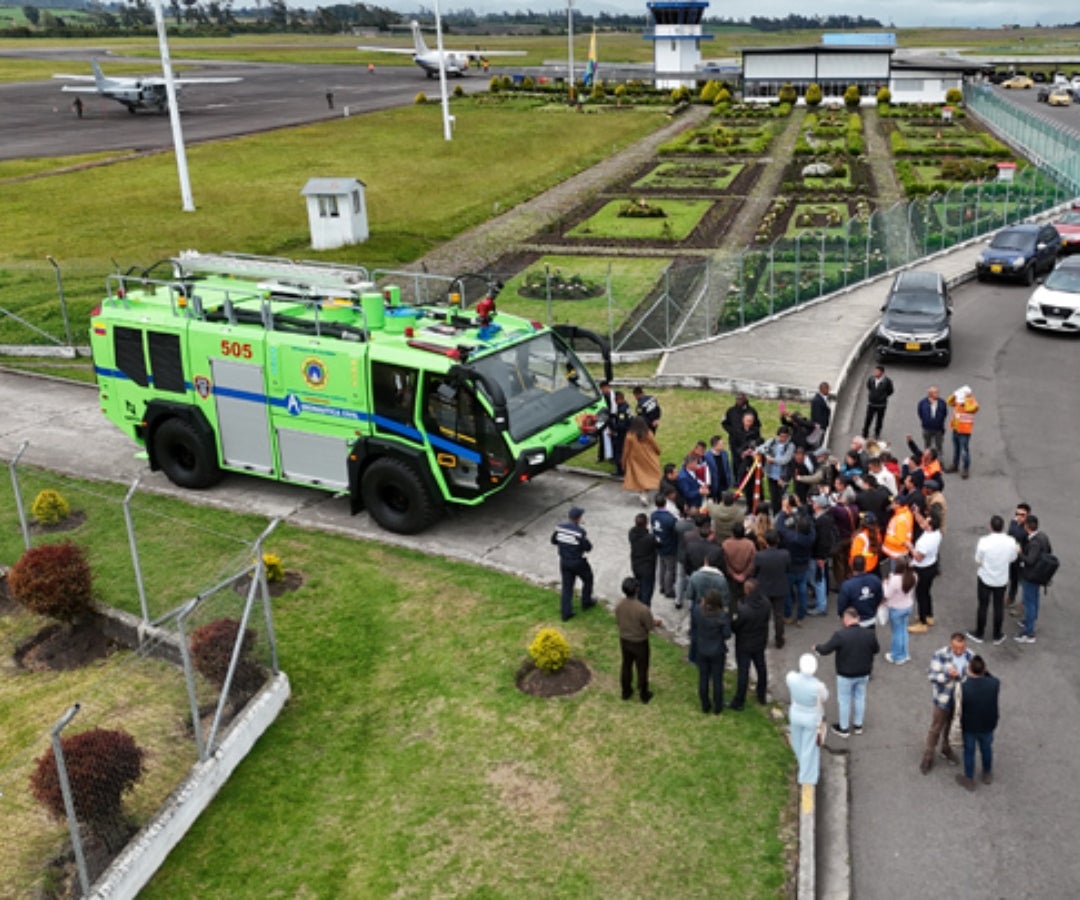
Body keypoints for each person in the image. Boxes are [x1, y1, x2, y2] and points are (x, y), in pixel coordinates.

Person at [814, 606, 880, 738]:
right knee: (860, 697)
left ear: (845, 619)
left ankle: (843, 728)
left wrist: (816, 647)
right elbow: (876, 650)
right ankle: (858, 725)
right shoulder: (869, 634)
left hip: (845, 674)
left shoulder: (840, 635)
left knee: (844, 700)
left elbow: (826, 649)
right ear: (858, 619)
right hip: (864, 673)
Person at [920, 633, 971, 774]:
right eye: (956, 648)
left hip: (959, 700)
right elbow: (932, 676)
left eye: (962, 648)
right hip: (943, 699)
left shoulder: (971, 656)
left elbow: (974, 677)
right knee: (935, 728)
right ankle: (928, 755)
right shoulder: (940, 655)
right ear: (950, 644)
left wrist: (962, 677)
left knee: (951, 725)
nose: (959, 651)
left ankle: (946, 748)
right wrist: (948, 675)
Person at [968, 515, 1019, 646]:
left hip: (985, 577)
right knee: (998, 606)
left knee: (983, 606)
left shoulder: (984, 541)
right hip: (1001, 579)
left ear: (990, 527)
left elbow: (978, 559)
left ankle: (979, 633)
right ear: (1003, 527)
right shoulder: (1010, 541)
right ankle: (997, 635)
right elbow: (1013, 558)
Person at [956, 655, 1000, 791]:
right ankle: (987, 773)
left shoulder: (964, 687)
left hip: (970, 726)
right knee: (986, 748)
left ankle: (969, 779)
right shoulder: (994, 683)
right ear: (984, 669)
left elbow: (957, 705)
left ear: (969, 670)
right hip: (988, 724)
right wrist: (985, 671)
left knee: (969, 751)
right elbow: (991, 677)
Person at [615, 576, 660, 704]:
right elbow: (650, 626)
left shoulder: (619, 605)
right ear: (637, 590)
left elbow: (618, 621)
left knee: (626, 665)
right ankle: (644, 694)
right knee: (642, 668)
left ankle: (626, 692)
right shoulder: (643, 609)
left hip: (624, 640)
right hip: (640, 642)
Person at [787, 654, 829, 785]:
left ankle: (802, 765)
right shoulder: (818, 686)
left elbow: (790, 677)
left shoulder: (791, 678)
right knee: (809, 747)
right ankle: (806, 777)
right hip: (811, 717)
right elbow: (825, 697)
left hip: (795, 714)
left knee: (797, 742)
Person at [730, 577, 771, 709]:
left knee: (743, 672)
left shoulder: (743, 609)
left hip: (744, 644)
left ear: (747, 590)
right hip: (760, 641)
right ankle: (761, 695)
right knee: (761, 668)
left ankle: (739, 701)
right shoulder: (766, 603)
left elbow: (735, 626)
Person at [551, 507, 595, 622]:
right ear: (578, 518)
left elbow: (554, 541)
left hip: (564, 561)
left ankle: (566, 613)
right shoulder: (579, 532)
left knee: (567, 587)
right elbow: (588, 547)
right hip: (578, 562)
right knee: (588, 579)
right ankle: (586, 602)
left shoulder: (560, 528)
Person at [691, 588, 731, 714]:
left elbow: (694, 626)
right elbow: (727, 634)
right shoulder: (722, 616)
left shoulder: (697, 611)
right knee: (717, 679)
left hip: (702, 649)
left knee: (703, 677)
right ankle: (718, 707)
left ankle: (705, 705)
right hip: (717, 651)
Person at [1016, 514, 1052, 644]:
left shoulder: (1034, 543)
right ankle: (1030, 621)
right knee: (1034, 599)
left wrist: (1020, 553)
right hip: (1039, 575)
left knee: (1029, 602)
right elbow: (1049, 550)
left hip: (1031, 575)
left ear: (1027, 527)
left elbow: (1030, 560)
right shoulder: (1043, 536)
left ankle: (1029, 632)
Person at [753, 529, 791, 649]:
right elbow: (788, 568)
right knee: (778, 615)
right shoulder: (785, 554)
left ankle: (763, 640)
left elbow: (755, 571)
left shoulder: (759, 555)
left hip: (764, 589)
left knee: (763, 616)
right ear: (778, 541)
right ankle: (779, 639)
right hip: (779, 587)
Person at [907, 510, 942, 633]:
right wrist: (916, 513)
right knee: (927, 592)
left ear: (930, 526)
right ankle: (929, 615)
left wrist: (910, 547)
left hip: (922, 569)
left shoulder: (924, 542)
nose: (924, 521)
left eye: (927, 521)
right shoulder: (937, 533)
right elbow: (922, 522)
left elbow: (918, 557)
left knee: (921, 594)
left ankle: (922, 623)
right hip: (932, 565)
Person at [882, 557, 916, 664]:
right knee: (903, 630)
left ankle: (897, 656)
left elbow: (887, 594)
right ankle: (905, 653)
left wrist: (885, 584)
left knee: (897, 633)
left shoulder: (895, 580)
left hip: (896, 609)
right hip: (908, 606)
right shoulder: (914, 576)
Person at [621, 416, 661, 507]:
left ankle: (643, 495)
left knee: (639, 478)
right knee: (650, 475)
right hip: (648, 458)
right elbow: (654, 444)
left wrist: (624, 461)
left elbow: (626, 450)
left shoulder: (630, 435)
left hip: (635, 460)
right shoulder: (648, 433)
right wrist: (658, 451)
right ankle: (646, 493)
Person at [836, 555, 883, 627]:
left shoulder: (847, 585)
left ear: (852, 566)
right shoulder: (875, 580)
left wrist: (843, 616)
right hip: (871, 619)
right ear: (865, 566)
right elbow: (879, 597)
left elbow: (842, 605)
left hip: (852, 622)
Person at [809, 494, 836, 616]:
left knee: (818, 580)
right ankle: (820, 603)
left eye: (815, 502)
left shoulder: (822, 521)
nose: (813, 504)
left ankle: (821, 606)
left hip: (818, 555)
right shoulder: (825, 518)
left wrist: (821, 557)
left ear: (818, 506)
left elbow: (823, 541)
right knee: (818, 579)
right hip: (819, 554)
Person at [945, 385, 979, 479]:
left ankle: (965, 468)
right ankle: (955, 465)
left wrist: (967, 399)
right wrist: (955, 394)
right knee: (956, 448)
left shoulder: (972, 403)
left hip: (965, 431)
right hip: (956, 429)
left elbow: (969, 409)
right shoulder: (958, 401)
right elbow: (949, 401)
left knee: (964, 450)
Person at [649, 494, 679, 599]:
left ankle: (662, 586)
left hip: (658, 544)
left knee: (662, 566)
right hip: (669, 545)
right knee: (670, 569)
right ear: (665, 503)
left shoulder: (653, 515)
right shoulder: (670, 518)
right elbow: (675, 532)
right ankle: (668, 590)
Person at [761, 426, 795, 515]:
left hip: (782, 476)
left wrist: (773, 460)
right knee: (773, 497)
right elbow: (762, 448)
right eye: (781, 436)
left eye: (785, 437)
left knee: (782, 497)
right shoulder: (772, 442)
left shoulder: (790, 446)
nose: (783, 439)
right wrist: (766, 454)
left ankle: (782, 515)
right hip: (771, 474)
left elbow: (785, 460)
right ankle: (775, 514)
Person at [722, 521, 757, 604]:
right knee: (747, 599)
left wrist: (733, 574)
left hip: (731, 578)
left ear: (732, 533)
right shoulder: (750, 544)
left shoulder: (726, 544)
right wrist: (744, 574)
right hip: (746, 577)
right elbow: (753, 561)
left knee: (732, 599)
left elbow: (724, 562)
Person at [628, 513, 657, 607]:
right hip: (647, 568)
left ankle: (638, 604)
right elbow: (657, 545)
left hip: (636, 565)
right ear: (646, 523)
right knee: (647, 592)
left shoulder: (632, 533)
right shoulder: (649, 538)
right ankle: (644, 611)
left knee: (638, 588)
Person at [1006, 503, 1031, 610]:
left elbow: (1019, 536)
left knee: (1025, 583)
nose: (1019, 517)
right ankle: (1011, 598)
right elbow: (1009, 535)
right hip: (1013, 557)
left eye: (1022, 515)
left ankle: (1024, 605)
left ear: (1028, 515)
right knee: (1013, 579)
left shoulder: (1029, 528)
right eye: (1017, 514)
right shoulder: (1014, 522)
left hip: (1023, 559)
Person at [862, 365, 894, 440]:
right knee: (868, 419)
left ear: (881, 373)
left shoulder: (887, 381)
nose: (875, 372)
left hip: (881, 405)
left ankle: (877, 433)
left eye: (877, 371)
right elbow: (869, 387)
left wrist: (883, 396)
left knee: (879, 420)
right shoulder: (871, 379)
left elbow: (890, 391)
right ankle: (865, 433)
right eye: (875, 371)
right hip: (871, 403)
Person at [916, 385, 947, 456]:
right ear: (930, 394)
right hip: (927, 428)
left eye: (937, 392)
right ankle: (927, 458)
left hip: (938, 429)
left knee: (939, 445)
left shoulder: (942, 403)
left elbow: (945, 413)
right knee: (927, 445)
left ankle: (939, 459)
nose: (937, 394)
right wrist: (925, 421)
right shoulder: (922, 403)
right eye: (935, 392)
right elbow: (920, 413)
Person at [703, 435, 733, 501]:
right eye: (721, 444)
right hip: (714, 486)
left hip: (725, 484)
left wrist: (730, 481)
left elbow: (728, 468)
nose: (723, 445)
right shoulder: (706, 456)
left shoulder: (724, 453)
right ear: (715, 445)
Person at [611, 390, 632, 476]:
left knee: (619, 452)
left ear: (619, 399)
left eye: (616, 400)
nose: (615, 403)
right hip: (628, 432)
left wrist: (613, 430)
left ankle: (620, 470)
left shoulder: (622, 410)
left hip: (622, 434)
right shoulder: (627, 406)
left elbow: (621, 425)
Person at [596, 380, 617, 465]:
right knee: (602, 437)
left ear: (608, 387)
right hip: (603, 417)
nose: (603, 390)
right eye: (602, 389)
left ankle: (612, 456)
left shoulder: (614, 395)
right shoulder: (601, 396)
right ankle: (601, 456)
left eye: (604, 388)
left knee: (612, 437)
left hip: (612, 417)